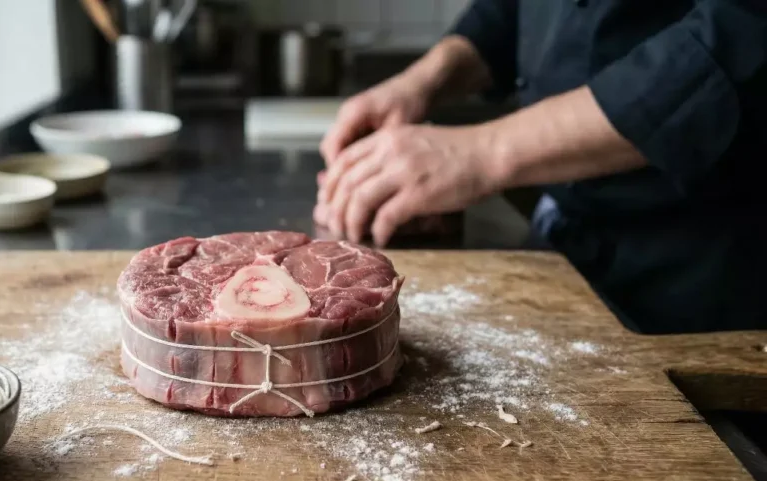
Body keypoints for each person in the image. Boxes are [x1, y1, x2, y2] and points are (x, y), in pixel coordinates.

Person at [314, 1, 767, 335]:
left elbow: (737, 37)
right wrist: (425, 79)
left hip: (702, 269)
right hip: (566, 244)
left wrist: (479, 152)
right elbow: (514, 11)